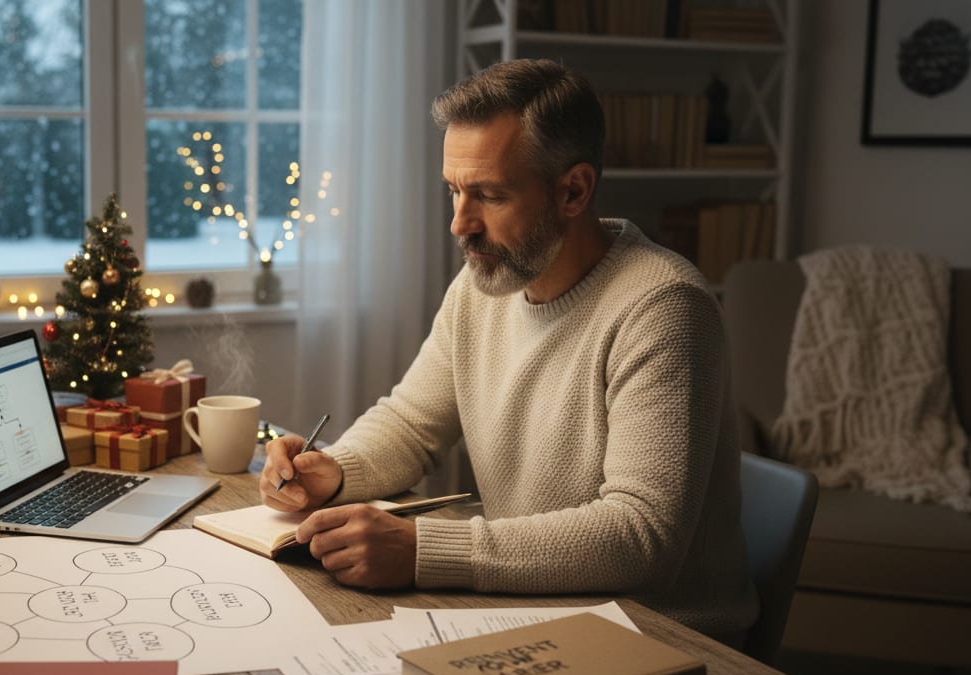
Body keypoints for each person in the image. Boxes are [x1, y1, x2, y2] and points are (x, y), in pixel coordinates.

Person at [260, 59, 757, 640]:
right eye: (453, 191)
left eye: (489, 196)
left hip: (662, 637)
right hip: (535, 611)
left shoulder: (664, 308)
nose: (459, 224)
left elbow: (641, 535)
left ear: (573, 190)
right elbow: (411, 423)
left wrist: (424, 549)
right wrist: (336, 470)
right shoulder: (485, 284)